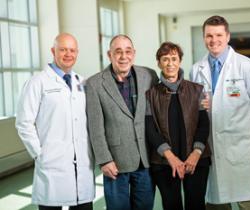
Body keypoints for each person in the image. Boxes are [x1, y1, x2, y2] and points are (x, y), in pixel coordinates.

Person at [190, 15, 250, 210]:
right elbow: (196, 107)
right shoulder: (196, 70)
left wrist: (246, 126)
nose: (214, 40)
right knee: (216, 201)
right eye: (209, 35)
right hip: (211, 145)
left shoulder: (248, 66)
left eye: (219, 35)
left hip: (241, 145)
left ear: (228, 36)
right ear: (204, 38)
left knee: (247, 201)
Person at [15, 33, 95, 210]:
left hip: (81, 163)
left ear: (77, 53)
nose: (68, 54)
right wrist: (39, 153)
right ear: (53, 51)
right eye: (63, 49)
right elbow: (23, 122)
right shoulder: (37, 82)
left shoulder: (82, 82)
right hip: (52, 164)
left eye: (72, 50)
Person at [85, 34, 158, 210]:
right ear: (109, 55)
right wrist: (104, 160)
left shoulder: (149, 75)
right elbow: (95, 127)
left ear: (134, 53)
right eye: (118, 52)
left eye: (128, 51)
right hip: (115, 163)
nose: (123, 56)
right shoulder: (95, 84)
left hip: (145, 159)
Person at [145, 42, 211, 210]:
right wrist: (171, 157)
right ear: (159, 63)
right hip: (164, 162)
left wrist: (196, 153)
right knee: (171, 205)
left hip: (196, 160)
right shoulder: (150, 95)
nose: (170, 63)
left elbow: (204, 124)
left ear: (180, 61)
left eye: (174, 58)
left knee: (196, 205)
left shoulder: (197, 90)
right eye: (165, 59)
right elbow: (150, 129)